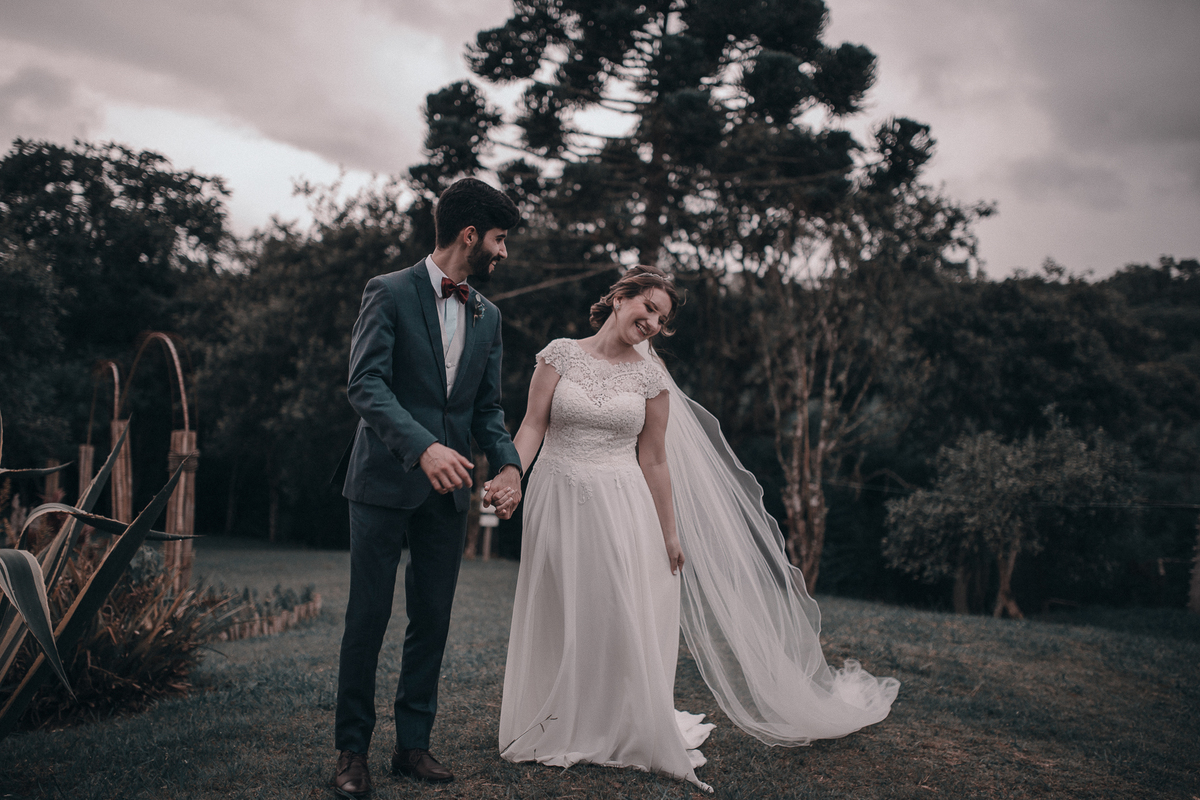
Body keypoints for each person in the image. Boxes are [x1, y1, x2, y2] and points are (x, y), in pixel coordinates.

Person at [499, 265, 900, 792]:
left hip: (622, 503)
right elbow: (532, 425)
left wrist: (669, 533)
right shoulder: (559, 354)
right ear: (621, 298)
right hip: (556, 494)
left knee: (616, 610)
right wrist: (512, 475)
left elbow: (656, 460)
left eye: (661, 320)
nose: (652, 323)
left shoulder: (651, 379)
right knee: (562, 605)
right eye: (648, 308)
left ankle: (616, 724)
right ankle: (557, 718)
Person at [332, 178, 525, 798]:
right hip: (383, 481)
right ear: (470, 234)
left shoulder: (487, 315)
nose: (503, 252)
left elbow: (488, 410)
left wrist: (510, 465)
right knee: (367, 616)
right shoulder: (386, 292)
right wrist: (423, 447)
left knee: (433, 619)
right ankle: (352, 752)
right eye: (500, 239)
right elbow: (366, 385)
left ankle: (413, 746)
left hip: (450, 494)